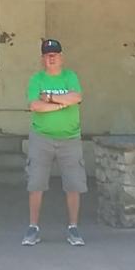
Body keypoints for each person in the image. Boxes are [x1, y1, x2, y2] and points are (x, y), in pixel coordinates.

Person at [22, 38, 86, 247]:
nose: (51, 58)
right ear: (42, 58)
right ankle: (33, 227)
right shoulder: (36, 79)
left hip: (70, 138)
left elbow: (76, 97)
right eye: (47, 55)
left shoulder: (70, 76)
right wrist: (61, 104)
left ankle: (73, 227)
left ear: (61, 57)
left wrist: (49, 98)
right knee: (36, 183)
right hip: (41, 137)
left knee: (73, 184)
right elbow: (35, 106)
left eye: (55, 54)